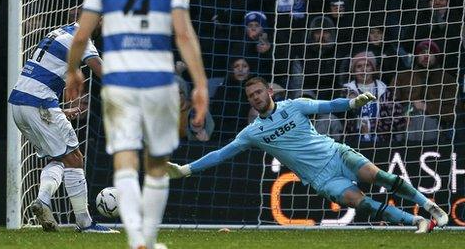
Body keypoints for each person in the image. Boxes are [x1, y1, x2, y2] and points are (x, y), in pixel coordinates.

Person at [65, 0, 208, 249]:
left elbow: (82, 34)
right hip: (159, 82)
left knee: (125, 159)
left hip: (119, 83)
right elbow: (184, 35)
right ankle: (148, 238)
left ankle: (135, 241)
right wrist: (199, 84)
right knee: (157, 162)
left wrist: (74, 71)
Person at [167, 76, 449, 233]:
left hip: (337, 154)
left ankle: (429, 205)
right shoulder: (252, 132)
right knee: (361, 204)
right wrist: (184, 170)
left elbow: (328, 105)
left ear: (268, 91)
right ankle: (418, 222)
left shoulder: (295, 105)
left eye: (257, 92)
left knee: (382, 177)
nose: (255, 97)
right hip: (321, 180)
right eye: (250, 95)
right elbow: (220, 153)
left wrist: (352, 102)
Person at [7, 22, 117, 234]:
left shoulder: (60, 31)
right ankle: (85, 223)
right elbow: (101, 70)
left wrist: (57, 111)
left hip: (19, 103)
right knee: (74, 157)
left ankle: (42, 200)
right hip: (38, 102)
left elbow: (42, 73)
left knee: (58, 158)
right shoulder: (81, 37)